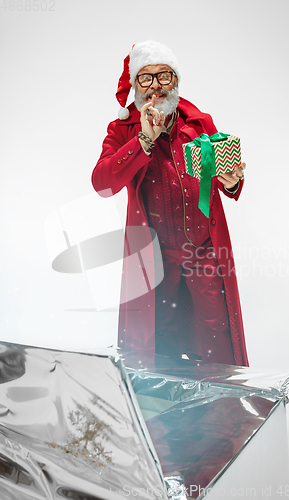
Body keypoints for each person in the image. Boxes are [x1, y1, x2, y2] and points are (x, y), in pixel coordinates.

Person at [92, 40, 248, 366]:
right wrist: (144, 140)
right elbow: (102, 183)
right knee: (157, 336)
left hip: (202, 249)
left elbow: (220, 176)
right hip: (155, 256)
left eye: (164, 76)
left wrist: (232, 182)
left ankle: (223, 407)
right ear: (134, 85)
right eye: (145, 78)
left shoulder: (200, 123)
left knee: (215, 333)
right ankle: (159, 409)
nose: (155, 87)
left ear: (175, 80)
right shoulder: (122, 131)